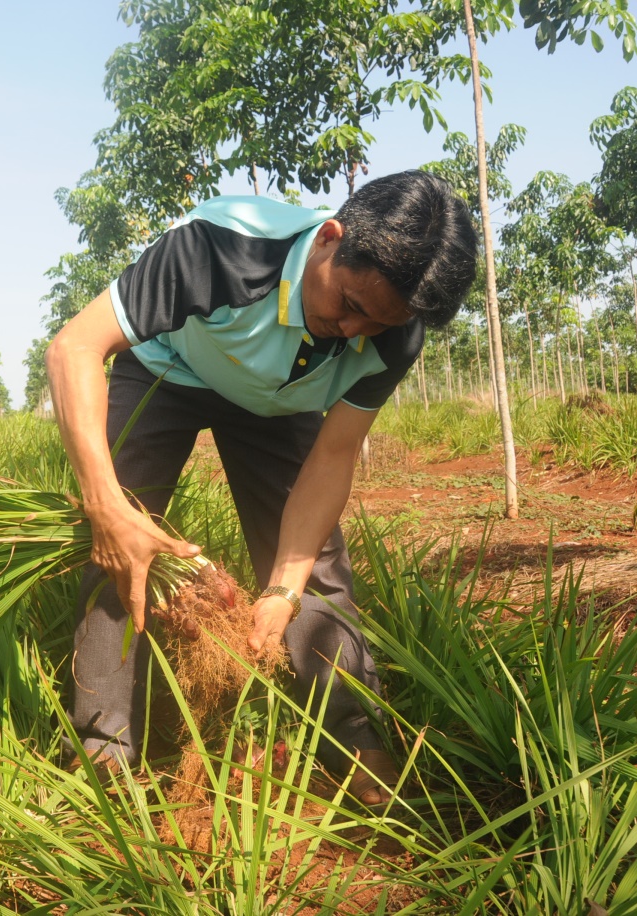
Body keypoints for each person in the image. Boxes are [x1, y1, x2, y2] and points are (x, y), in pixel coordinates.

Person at [44, 170, 478, 804]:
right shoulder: (223, 248)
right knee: (120, 547)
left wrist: (281, 589)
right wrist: (105, 505)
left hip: (279, 402)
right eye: (350, 306)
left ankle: (356, 744)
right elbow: (73, 348)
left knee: (314, 571)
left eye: (376, 326)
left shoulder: (397, 323)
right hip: (172, 366)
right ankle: (104, 750)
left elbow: (334, 455)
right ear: (331, 238)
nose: (355, 334)